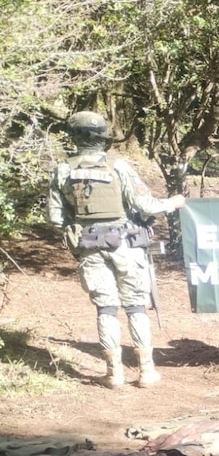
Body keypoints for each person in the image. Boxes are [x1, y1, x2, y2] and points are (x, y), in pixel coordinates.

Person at [47, 111, 186, 389]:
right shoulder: (118, 166)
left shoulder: (63, 170)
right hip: (126, 243)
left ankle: (114, 374)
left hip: (88, 245)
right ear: (103, 137)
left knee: (106, 308)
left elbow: (55, 217)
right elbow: (145, 205)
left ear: (74, 137)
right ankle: (146, 372)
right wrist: (174, 202)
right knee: (135, 305)